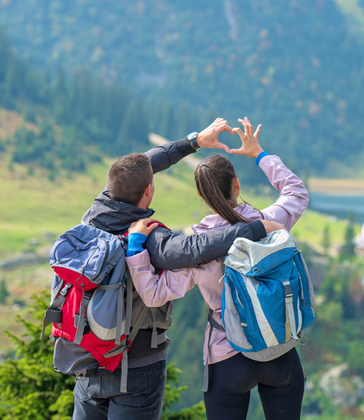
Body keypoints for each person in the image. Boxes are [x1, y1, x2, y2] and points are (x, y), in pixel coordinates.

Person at [66, 117, 285, 420]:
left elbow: (142, 166)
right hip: (137, 367)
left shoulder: (93, 215)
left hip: (88, 360)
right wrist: (256, 227)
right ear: (149, 192)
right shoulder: (152, 239)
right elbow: (197, 249)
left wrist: (194, 141)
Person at [126, 117, 309, 420]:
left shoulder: (197, 250)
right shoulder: (270, 223)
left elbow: (154, 294)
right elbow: (296, 192)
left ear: (203, 196)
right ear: (236, 185)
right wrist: (259, 154)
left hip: (227, 357)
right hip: (280, 349)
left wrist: (135, 247)